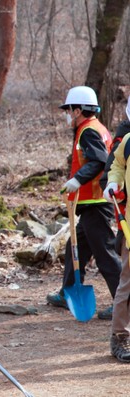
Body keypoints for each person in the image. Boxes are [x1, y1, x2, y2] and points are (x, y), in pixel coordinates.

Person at [46, 86, 121, 319]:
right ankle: (67, 291)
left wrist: (77, 180)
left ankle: (124, 304)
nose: (67, 114)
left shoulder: (88, 131)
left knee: (106, 254)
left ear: (78, 110)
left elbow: (99, 160)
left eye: (68, 110)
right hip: (91, 203)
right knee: (74, 247)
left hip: (97, 203)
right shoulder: (95, 128)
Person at [103, 97, 130, 362]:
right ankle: (120, 337)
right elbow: (116, 165)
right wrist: (113, 183)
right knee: (128, 282)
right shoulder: (128, 142)